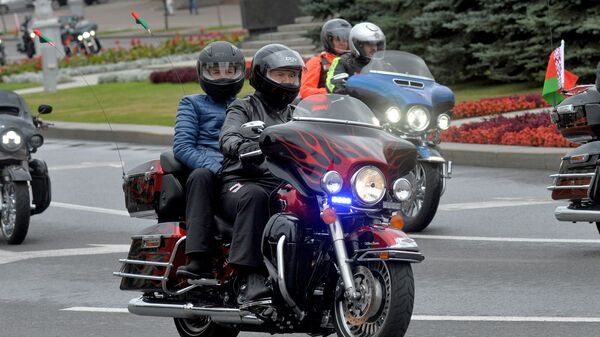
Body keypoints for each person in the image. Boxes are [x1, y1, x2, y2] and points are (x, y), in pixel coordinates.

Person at [219, 44, 305, 304]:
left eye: (292, 75)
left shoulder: (298, 113)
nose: (288, 81)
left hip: (283, 183)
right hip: (242, 180)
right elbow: (228, 136)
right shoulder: (242, 107)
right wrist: (243, 144)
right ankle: (249, 276)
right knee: (256, 197)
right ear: (261, 75)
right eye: (281, 75)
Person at [174, 41, 246, 279]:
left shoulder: (246, 105)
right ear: (203, 72)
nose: (223, 76)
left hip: (243, 169)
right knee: (200, 176)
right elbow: (183, 146)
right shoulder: (191, 104)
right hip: (211, 172)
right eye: (215, 71)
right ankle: (199, 258)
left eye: (230, 70)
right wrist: (216, 168)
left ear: (240, 72)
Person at [326, 22, 386, 94]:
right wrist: (342, 90)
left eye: (376, 44)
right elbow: (332, 84)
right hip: (353, 103)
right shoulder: (343, 61)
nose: (374, 49)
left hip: (377, 103)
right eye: (370, 44)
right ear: (359, 45)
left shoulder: (382, 64)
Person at [299, 18, 352, 99]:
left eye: (345, 39)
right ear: (329, 40)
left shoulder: (353, 61)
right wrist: (332, 92)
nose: (342, 43)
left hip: (350, 107)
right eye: (338, 39)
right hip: (323, 109)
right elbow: (305, 91)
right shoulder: (317, 62)